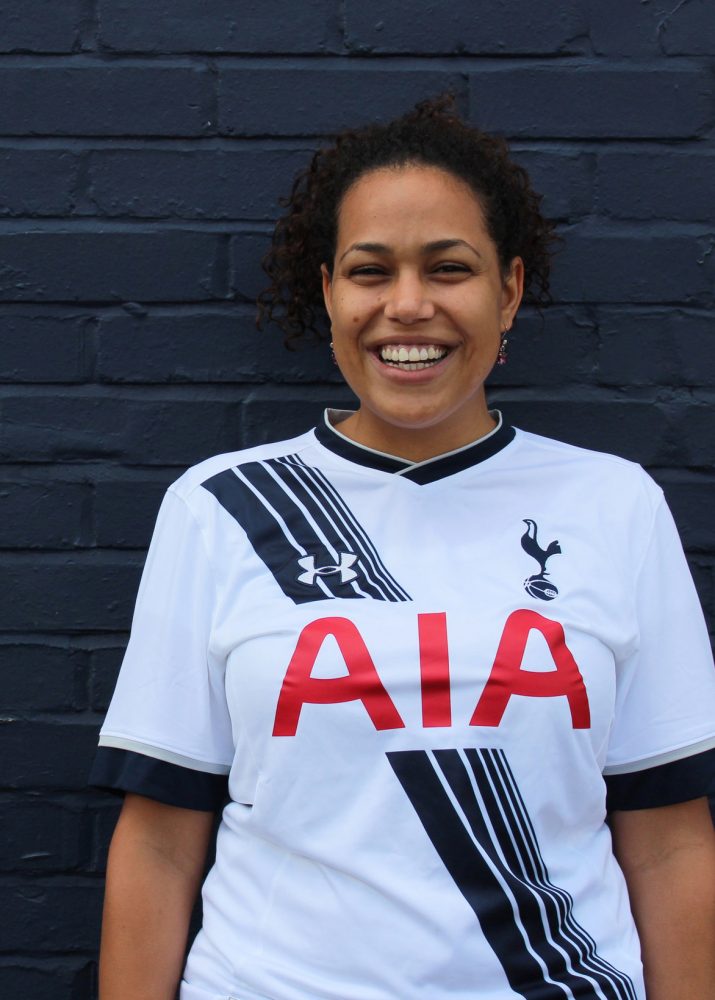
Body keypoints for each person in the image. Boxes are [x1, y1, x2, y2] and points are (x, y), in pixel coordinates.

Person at [91, 96, 715, 1000]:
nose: (407, 306)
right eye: (369, 271)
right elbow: (156, 839)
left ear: (508, 290)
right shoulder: (219, 505)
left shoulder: (612, 504)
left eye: (448, 269)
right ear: (329, 293)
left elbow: (667, 839)